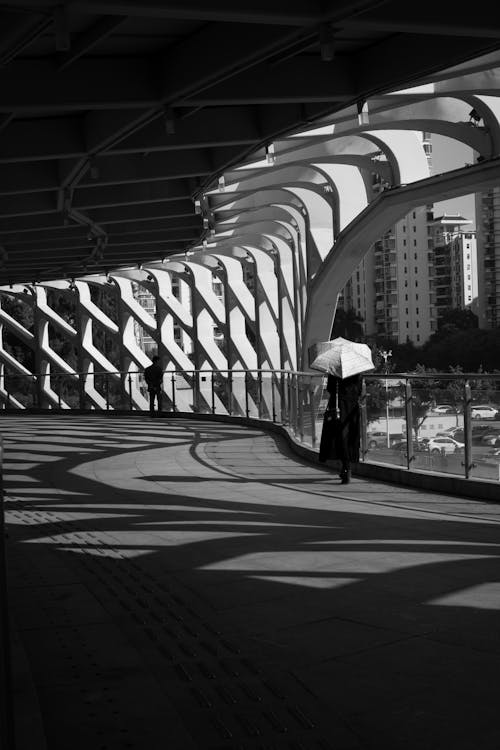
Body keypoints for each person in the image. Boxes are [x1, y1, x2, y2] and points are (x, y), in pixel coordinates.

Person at [319, 372, 362, 483]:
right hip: (352, 406)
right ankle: (347, 466)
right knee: (350, 436)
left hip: (337, 406)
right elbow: (360, 390)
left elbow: (330, 388)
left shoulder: (334, 370)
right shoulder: (356, 369)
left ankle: (345, 466)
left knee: (340, 436)